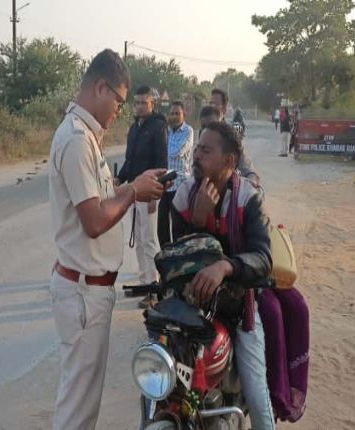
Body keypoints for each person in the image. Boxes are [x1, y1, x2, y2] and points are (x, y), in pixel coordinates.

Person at [48, 49, 166, 430]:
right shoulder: (76, 140)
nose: (120, 110)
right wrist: (133, 192)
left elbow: (100, 196)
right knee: (78, 409)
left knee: (80, 399)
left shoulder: (86, 136)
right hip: (84, 291)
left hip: (88, 289)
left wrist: (129, 185)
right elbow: (95, 220)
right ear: (100, 87)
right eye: (118, 100)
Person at [171, 121, 275, 430]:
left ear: (229, 161)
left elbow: (263, 259)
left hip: (239, 306)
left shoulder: (248, 199)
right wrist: (198, 220)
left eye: (206, 151)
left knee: (257, 395)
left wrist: (225, 266)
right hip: (192, 306)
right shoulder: (183, 196)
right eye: (197, 149)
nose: (196, 156)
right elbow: (174, 257)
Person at [116, 85, 168, 309]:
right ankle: (144, 281)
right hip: (134, 191)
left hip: (149, 193)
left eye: (143, 103)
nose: (138, 107)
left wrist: (156, 195)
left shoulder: (158, 127)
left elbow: (162, 163)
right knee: (138, 239)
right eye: (136, 103)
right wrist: (119, 179)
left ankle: (154, 288)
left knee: (148, 240)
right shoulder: (135, 128)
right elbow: (130, 161)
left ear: (151, 104)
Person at [158, 101, 194, 247]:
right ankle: (166, 254)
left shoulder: (188, 131)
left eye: (177, 113)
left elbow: (176, 152)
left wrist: (161, 148)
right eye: (172, 113)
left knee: (178, 226)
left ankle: (179, 254)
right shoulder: (166, 131)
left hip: (180, 183)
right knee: (162, 225)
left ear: (184, 115)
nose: (174, 116)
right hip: (165, 184)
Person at [208, 90, 262, 188]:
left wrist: (252, 181)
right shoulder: (203, 133)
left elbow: (247, 168)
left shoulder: (231, 135)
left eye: (216, 104)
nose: (212, 107)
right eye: (210, 104)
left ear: (224, 109)